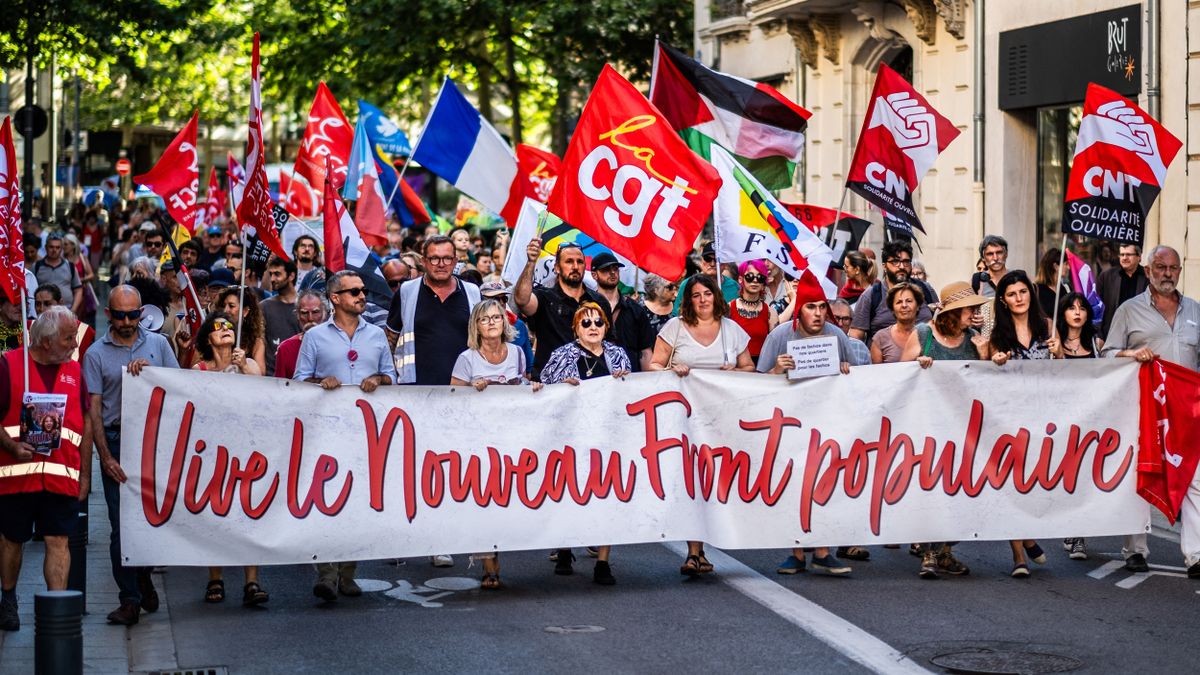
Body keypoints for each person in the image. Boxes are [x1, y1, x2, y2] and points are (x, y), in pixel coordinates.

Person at [294, 271, 396, 602]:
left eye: (363, 291)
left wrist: (378, 379)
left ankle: (348, 573)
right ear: (335, 298)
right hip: (327, 431)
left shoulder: (377, 335)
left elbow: (392, 378)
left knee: (356, 503)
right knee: (327, 501)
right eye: (353, 291)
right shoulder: (315, 337)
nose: (362, 296)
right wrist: (321, 382)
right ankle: (326, 573)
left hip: (367, 432)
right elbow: (299, 381)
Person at [1101, 245, 1200, 578]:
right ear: (1148, 271)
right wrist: (1131, 353)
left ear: (1179, 271)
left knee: (1195, 480)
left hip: (1186, 414)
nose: (1167, 273)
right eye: (1160, 267)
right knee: (1142, 473)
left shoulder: (1196, 312)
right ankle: (1135, 549)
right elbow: (1107, 354)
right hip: (1142, 410)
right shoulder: (1129, 311)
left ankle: (1196, 555)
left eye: (1173, 267)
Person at [84, 286, 179, 625]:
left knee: (153, 519)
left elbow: (178, 391)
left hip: (153, 442)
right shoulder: (95, 354)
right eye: (120, 315)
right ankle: (129, 599)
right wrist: (105, 458)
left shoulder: (159, 345)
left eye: (133, 314)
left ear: (143, 312)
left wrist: (151, 376)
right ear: (108, 314)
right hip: (117, 437)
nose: (127, 321)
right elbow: (94, 411)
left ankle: (142, 574)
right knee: (120, 526)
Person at [649, 275, 754, 576]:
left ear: (716, 297)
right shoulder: (676, 327)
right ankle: (695, 551)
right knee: (693, 480)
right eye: (696, 295)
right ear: (688, 300)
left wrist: (734, 371)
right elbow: (654, 365)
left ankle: (717, 539)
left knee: (718, 480)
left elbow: (749, 367)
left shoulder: (732, 330)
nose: (704, 299)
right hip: (685, 419)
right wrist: (672, 370)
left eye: (708, 293)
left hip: (722, 419)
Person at [755, 271, 855, 575]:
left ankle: (823, 550)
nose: (818, 313)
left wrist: (846, 369)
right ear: (799, 310)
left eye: (822, 307)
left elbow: (858, 378)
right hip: (788, 424)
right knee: (793, 485)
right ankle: (796, 552)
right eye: (811, 307)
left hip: (826, 421)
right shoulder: (781, 336)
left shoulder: (836, 336)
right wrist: (775, 370)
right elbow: (756, 383)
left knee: (824, 484)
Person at [0, 307, 92, 632]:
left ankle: (58, 609)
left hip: (60, 476)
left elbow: (86, 421)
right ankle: (8, 598)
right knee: (13, 539)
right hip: (16, 477)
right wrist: (12, 447)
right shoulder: (9, 366)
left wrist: (85, 475)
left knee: (58, 540)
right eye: (68, 339)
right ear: (46, 341)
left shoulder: (74, 370)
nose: (73, 344)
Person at [900, 281, 988, 579]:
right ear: (953, 312)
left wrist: (985, 354)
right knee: (931, 489)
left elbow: (986, 383)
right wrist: (916, 363)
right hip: (927, 425)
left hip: (962, 427)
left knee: (960, 491)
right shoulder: (924, 335)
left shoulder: (973, 339)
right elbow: (898, 376)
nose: (974, 313)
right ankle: (929, 552)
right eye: (969, 309)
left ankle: (946, 551)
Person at [449, 300, 538, 589]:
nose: (491, 323)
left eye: (496, 317)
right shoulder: (467, 358)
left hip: (511, 438)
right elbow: (451, 399)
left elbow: (522, 386)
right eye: (484, 318)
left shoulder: (515, 352)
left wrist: (532, 388)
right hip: (477, 440)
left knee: (505, 500)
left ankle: (497, 548)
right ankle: (488, 563)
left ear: (505, 322)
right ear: (476, 325)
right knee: (483, 500)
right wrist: (471, 393)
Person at [539, 302, 630, 585]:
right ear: (576, 328)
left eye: (598, 322)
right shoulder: (562, 355)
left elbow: (631, 392)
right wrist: (560, 387)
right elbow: (544, 390)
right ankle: (565, 549)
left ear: (606, 326)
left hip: (608, 437)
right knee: (569, 495)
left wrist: (624, 381)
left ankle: (603, 562)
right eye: (586, 323)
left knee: (606, 498)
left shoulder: (618, 355)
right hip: (571, 437)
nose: (593, 328)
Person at [189, 311, 269, 605]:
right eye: (217, 327)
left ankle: (251, 582)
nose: (224, 329)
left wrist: (243, 367)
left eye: (228, 326)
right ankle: (215, 579)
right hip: (213, 451)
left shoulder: (245, 364)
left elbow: (262, 391)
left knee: (249, 514)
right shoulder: (199, 369)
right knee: (215, 516)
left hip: (246, 449)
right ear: (208, 338)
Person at [988, 270, 1058, 578]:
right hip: (1009, 419)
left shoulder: (1047, 326)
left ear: (1031, 294)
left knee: (1035, 483)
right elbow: (985, 371)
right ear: (1003, 300)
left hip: (1043, 418)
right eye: (1012, 294)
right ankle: (1018, 554)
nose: (1019, 298)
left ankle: (1028, 536)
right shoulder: (998, 335)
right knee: (1012, 483)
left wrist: (1060, 355)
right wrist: (994, 359)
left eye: (1023, 292)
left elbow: (1067, 375)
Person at [387, 235, 481, 387]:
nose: (441, 264)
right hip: (415, 388)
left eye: (447, 258)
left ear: (455, 261)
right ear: (424, 261)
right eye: (434, 258)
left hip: (463, 386)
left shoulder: (473, 292)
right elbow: (391, 339)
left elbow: (483, 340)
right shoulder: (406, 291)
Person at [1054, 292, 1104, 561]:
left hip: (1089, 419)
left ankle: (1078, 535)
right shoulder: (1053, 343)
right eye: (1071, 308)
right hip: (1061, 419)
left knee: (1083, 476)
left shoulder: (1096, 345)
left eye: (1081, 308)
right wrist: (1057, 354)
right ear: (1063, 314)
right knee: (1066, 475)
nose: (1076, 312)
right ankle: (1069, 528)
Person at [514, 239, 609, 380]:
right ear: (557, 268)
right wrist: (531, 263)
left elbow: (609, 343)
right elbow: (522, 300)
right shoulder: (544, 298)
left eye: (580, 262)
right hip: (551, 385)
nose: (575, 266)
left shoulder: (599, 301)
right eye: (569, 261)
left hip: (591, 384)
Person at [849, 240, 936, 345]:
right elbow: (856, 337)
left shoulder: (925, 289)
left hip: (925, 358)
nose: (902, 266)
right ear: (884, 266)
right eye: (895, 262)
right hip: (884, 360)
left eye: (906, 262)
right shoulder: (872, 295)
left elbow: (940, 324)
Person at [590, 251, 654, 371]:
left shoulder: (636, 310)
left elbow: (645, 352)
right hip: (596, 381)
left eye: (615, 269)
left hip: (631, 380)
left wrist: (648, 383)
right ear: (594, 275)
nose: (612, 273)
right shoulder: (585, 309)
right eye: (606, 270)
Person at [728, 260, 780, 366]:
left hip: (761, 368)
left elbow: (775, 346)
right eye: (750, 276)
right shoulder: (728, 308)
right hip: (736, 368)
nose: (755, 281)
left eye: (760, 277)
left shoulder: (770, 312)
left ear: (763, 283)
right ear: (740, 279)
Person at [478, 281, 533, 376]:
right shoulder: (473, 325)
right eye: (495, 299)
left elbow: (529, 366)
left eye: (504, 298)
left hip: (513, 385)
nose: (502, 303)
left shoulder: (518, 325)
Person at [273, 290, 329, 379]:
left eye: (315, 312)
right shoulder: (285, 348)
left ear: (324, 313)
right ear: (298, 315)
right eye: (304, 313)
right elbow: (279, 386)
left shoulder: (336, 344)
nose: (310, 318)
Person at [671, 241, 739, 314]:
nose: (712, 264)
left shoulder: (734, 286)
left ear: (725, 264)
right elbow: (677, 315)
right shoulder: (687, 284)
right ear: (701, 261)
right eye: (707, 259)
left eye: (717, 259)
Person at [32, 285, 95, 363]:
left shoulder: (83, 330)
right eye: (37, 304)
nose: (41, 309)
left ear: (60, 303)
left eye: (47, 304)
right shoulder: (27, 329)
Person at [1097, 243, 1148, 338]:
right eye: (1122, 254)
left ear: (1139, 257)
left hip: (1139, 334)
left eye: (1128, 254)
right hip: (1111, 333)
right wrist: (1099, 335)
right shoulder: (1106, 277)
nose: (1124, 258)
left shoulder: (1148, 277)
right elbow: (1097, 307)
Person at [260, 257, 300, 375]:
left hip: (300, 377)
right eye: (271, 274)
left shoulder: (306, 307)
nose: (272, 279)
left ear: (291, 276)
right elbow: (259, 342)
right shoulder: (264, 307)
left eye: (277, 274)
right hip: (272, 377)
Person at [213, 286, 267, 369]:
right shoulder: (211, 336)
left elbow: (261, 376)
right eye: (224, 306)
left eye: (231, 306)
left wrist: (245, 366)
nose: (225, 310)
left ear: (245, 311)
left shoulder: (256, 343)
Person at [870, 283, 924, 364]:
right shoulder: (880, 337)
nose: (904, 305)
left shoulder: (927, 336)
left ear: (918, 306)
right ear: (892, 309)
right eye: (899, 302)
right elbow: (876, 374)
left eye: (909, 301)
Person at [33, 233, 83, 315]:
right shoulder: (37, 266)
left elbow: (78, 290)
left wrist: (73, 309)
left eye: (57, 247)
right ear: (46, 247)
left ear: (62, 249)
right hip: (43, 313)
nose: (54, 250)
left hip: (66, 312)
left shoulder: (70, 266)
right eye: (51, 247)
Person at [62, 233, 97, 325]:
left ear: (73, 245)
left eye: (66, 244)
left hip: (83, 295)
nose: (63, 246)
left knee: (84, 321)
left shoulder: (81, 257)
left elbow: (91, 274)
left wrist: (78, 280)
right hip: (69, 293)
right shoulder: (61, 259)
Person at [828, 299, 870, 366]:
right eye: (836, 318)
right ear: (826, 319)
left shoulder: (860, 347)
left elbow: (869, 375)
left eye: (846, 319)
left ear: (851, 322)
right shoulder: (817, 346)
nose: (840, 324)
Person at [1034, 248, 1072, 319]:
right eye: (1066, 264)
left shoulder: (1067, 289)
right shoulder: (1037, 290)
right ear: (1055, 266)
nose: (1068, 267)